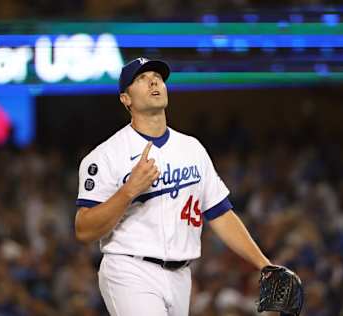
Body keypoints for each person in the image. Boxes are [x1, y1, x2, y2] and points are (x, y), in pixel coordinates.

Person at [75, 57, 272, 316]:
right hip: (130, 269)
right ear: (126, 99)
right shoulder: (105, 156)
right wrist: (128, 191)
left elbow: (220, 213)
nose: (153, 81)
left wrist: (264, 264)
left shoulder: (192, 148)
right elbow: (84, 229)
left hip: (181, 276)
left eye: (157, 76)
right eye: (141, 79)